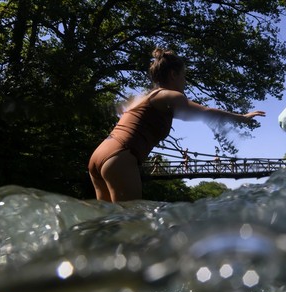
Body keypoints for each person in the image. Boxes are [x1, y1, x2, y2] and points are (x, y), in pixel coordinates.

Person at [88, 48, 266, 202]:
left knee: (108, 227)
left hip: (100, 154)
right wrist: (241, 117)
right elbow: (206, 112)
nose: (185, 82)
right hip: (120, 156)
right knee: (129, 226)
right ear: (173, 74)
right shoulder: (169, 95)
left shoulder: (143, 97)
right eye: (184, 77)